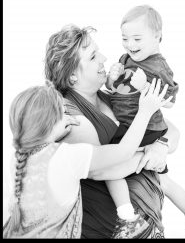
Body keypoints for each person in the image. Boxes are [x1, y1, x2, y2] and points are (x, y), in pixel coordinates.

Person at [44, 24, 180, 238]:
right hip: (103, 230)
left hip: (147, 227)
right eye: (92, 57)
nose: (104, 58)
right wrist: (148, 155)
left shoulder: (111, 96)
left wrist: (160, 147)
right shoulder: (68, 114)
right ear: (72, 76)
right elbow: (101, 169)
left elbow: (170, 130)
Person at [3, 79, 169, 238]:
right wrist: (145, 112)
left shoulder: (17, 158)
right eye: (63, 111)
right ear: (52, 122)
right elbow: (123, 152)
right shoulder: (68, 157)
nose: (68, 114)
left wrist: (56, 129)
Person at [105, 5, 185, 239]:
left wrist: (145, 86)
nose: (129, 44)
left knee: (109, 168)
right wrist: (111, 77)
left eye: (137, 38)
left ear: (157, 37)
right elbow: (116, 90)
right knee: (163, 181)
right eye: (125, 38)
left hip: (143, 129)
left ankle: (127, 218)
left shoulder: (158, 65)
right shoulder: (126, 58)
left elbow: (169, 101)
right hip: (130, 126)